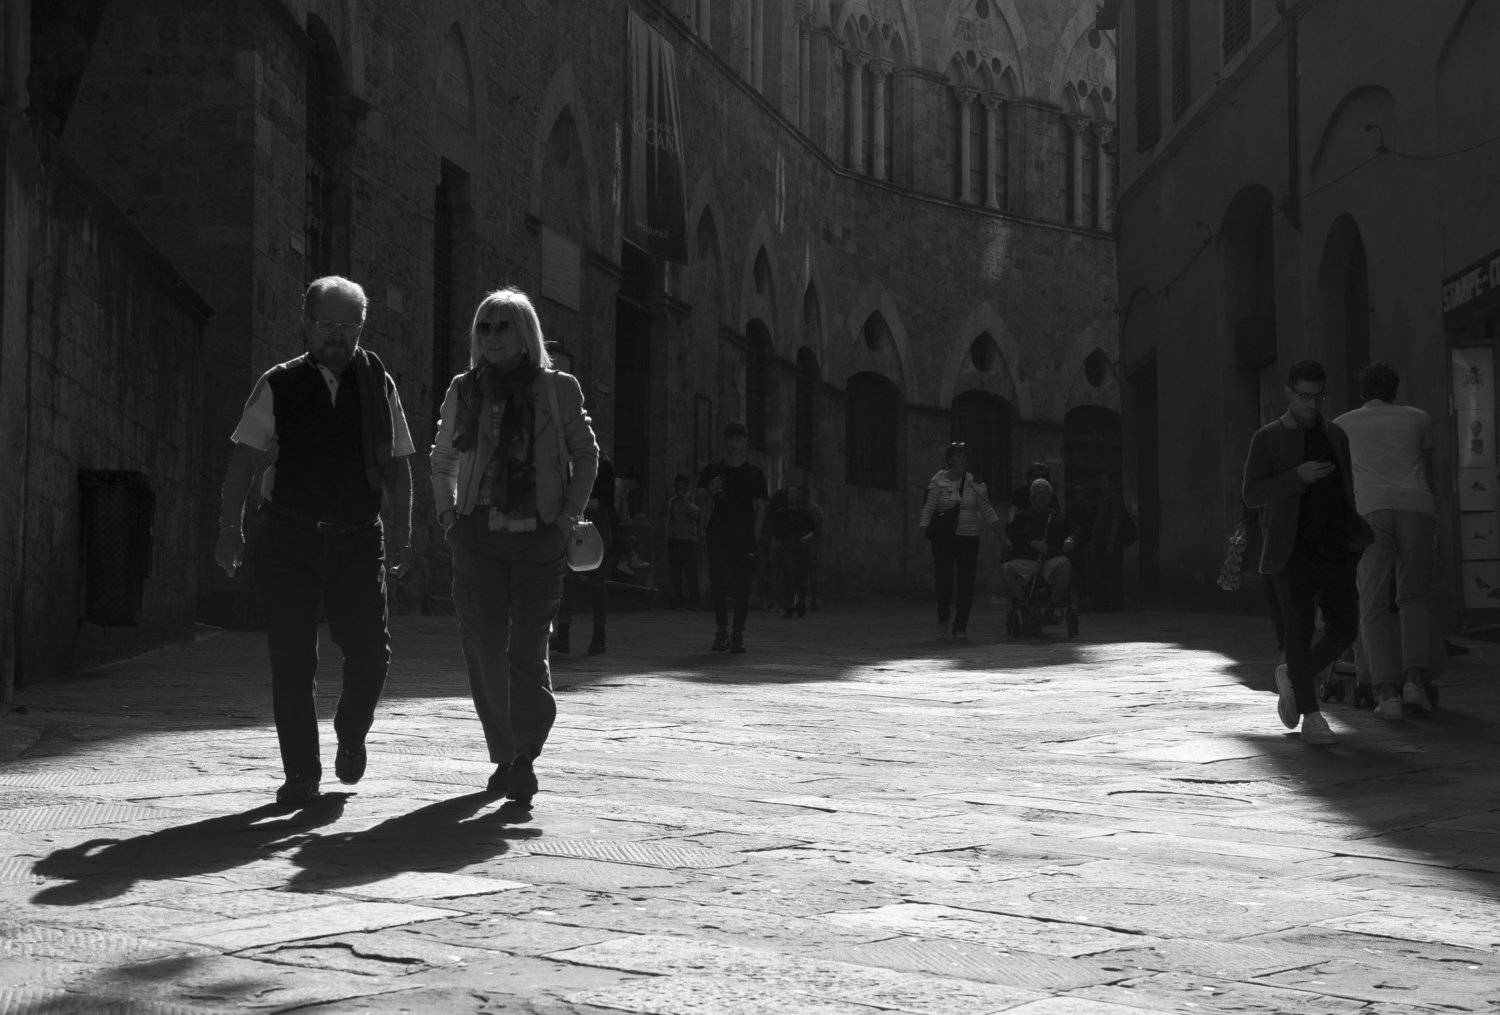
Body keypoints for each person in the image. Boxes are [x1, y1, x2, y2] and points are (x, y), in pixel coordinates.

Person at [215, 275, 415, 808]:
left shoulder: (378, 383)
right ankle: (301, 773)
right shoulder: (278, 384)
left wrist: (401, 532)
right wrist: (230, 529)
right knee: (292, 658)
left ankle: (351, 730)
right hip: (289, 537)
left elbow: (398, 466)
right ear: (306, 324)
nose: (338, 336)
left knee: (370, 653)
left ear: (361, 329)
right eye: (328, 324)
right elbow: (244, 461)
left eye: (350, 326)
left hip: (358, 539)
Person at [430, 287, 599, 806]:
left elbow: (586, 455)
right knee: (484, 648)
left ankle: (525, 753)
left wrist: (566, 518)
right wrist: (448, 519)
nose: (492, 335)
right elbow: (442, 459)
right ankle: (503, 753)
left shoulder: (558, 389)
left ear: (525, 333)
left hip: (538, 537)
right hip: (477, 536)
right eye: (484, 326)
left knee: (526, 649)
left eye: (503, 325)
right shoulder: (464, 390)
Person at [1242, 359, 1373, 745]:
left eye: (1318, 396)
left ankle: (1293, 674)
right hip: (1291, 550)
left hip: (1336, 547)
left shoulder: (1335, 434)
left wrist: (1353, 536)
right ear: (1289, 393)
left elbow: (1346, 488)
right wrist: (1295, 477)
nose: (1312, 404)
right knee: (1298, 631)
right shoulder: (1268, 438)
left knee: (1345, 628)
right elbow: (1251, 494)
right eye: (1304, 396)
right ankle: (1312, 717)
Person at [1333, 362, 1439, 720]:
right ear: (1396, 389)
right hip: (1416, 506)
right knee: (1415, 596)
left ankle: (1385, 690)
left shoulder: (1342, 424)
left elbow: (1341, 479)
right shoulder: (1418, 418)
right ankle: (1415, 681)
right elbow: (1429, 470)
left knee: (1373, 600)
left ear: (1362, 391)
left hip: (1369, 510)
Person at [919, 442, 1003, 639]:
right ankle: (943, 620)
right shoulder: (938, 481)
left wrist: (1001, 534)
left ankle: (960, 626)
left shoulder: (975, 483)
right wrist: (923, 532)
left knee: (966, 583)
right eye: (958, 456)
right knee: (944, 580)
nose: (962, 460)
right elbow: (928, 509)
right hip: (944, 537)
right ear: (950, 459)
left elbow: (987, 510)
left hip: (969, 537)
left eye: (964, 456)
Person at [697, 421, 768, 653]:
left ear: (745, 442)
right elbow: (699, 499)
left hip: (744, 534)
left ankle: (737, 632)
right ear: (725, 441)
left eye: (738, 439)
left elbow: (761, 507)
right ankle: (721, 629)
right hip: (718, 532)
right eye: (730, 439)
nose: (733, 443)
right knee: (718, 580)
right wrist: (710, 491)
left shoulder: (754, 473)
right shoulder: (713, 471)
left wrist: (755, 536)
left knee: (742, 584)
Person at [552, 456, 616, 654]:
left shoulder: (603, 464)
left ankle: (599, 634)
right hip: (574, 524)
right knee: (568, 581)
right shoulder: (568, 461)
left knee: (596, 582)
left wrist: (584, 502)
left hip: (596, 526)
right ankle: (563, 633)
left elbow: (607, 499)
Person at [1001, 478, 1075, 613]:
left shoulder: (1057, 517)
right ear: (1032, 496)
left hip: (1050, 558)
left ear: (1050, 497)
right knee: (1006, 570)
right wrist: (1030, 543)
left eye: (1045, 493)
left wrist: (1070, 540)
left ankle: (1051, 608)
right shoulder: (1022, 516)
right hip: (1027, 560)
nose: (1042, 496)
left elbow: (1070, 533)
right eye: (1039, 493)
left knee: (1065, 565)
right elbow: (1012, 538)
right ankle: (1025, 606)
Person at [772, 485, 819, 618]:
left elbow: (814, 529)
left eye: (795, 493)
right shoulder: (781, 513)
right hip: (786, 547)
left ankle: (800, 603)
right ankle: (789, 605)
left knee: (800, 576)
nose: (792, 496)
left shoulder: (804, 513)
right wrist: (778, 543)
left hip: (801, 547)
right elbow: (775, 529)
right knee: (789, 574)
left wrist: (806, 538)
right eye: (790, 493)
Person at [1088, 473, 1127, 612]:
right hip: (1100, 541)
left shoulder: (1114, 499)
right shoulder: (1103, 499)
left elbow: (1116, 520)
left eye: (1104, 482)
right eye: (1101, 482)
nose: (1101, 485)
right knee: (1101, 573)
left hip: (1109, 542)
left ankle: (1116, 603)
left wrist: (1111, 541)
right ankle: (1103, 603)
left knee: (1113, 573)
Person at [664, 472, 701, 609]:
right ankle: (678, 600)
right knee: (676, 572)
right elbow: (669, 517)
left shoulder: (692, 498)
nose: (679, 488)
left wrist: (683, 500)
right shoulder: (672, 501)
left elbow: (695, 513)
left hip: (688, 539)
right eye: (677, 485)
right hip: (674, 539)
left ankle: (695, 601)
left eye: (682, 486)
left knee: (691, 572)